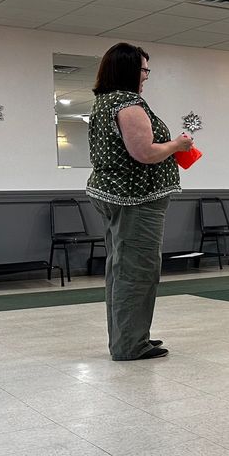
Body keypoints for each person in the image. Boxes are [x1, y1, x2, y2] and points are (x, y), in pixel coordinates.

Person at [86, 43, 192, 361]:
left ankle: (129, 338)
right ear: (129, 70)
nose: (146, 76)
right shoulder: (128, 103)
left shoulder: (104, 102)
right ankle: (130, 344)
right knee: (138, 271)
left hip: (116, 195)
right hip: (135, 199)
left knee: (121, 270)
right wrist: (177, 144)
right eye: (144, 69)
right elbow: (144, 153)